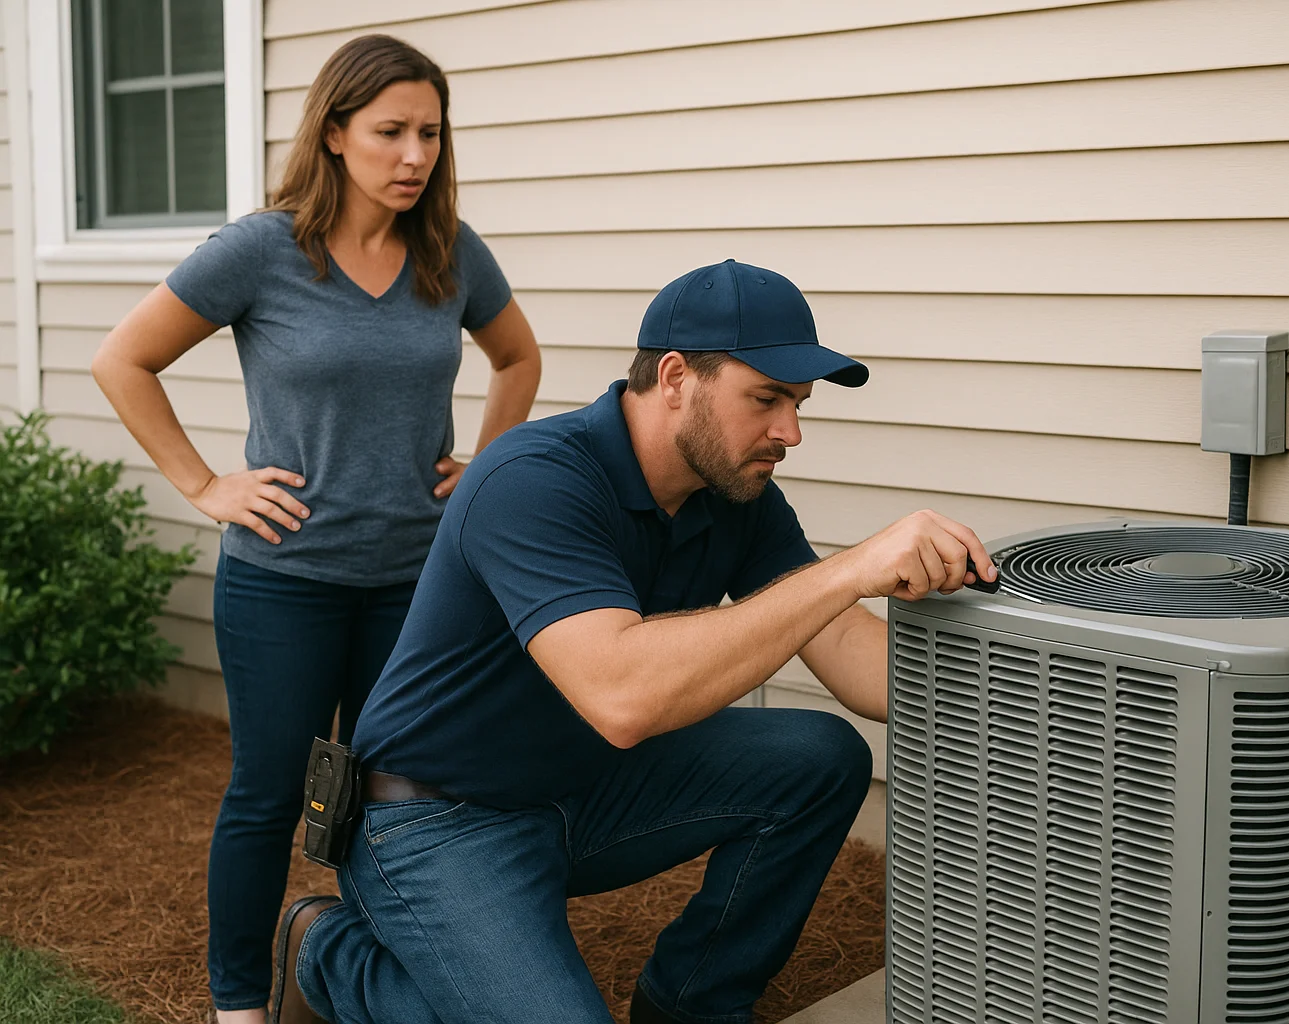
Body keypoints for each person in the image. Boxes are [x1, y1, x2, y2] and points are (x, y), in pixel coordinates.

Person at [270, 259, 997, 1024]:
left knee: (820, 759)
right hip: (436, 817)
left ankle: (689, 1004)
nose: (791, 431)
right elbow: (622, 696)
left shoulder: (735, 495)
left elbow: (846, 647)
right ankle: (328, 953)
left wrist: (1033, 693)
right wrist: (850, 570)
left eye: (799, 403)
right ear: (677, 376)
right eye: (767, 399)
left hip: (583, 785)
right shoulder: (533, 478)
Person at [90, 35, 541, 1024]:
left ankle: (364, 967)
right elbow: (123, 360)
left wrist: (480, 474)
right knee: (268, 795)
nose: (414, 153)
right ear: (335, 134)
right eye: (390, 132)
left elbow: (517, 360)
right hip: (283, 582)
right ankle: (239, 1003)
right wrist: (205, 482)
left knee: (400, 798)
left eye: (429, 131)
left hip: (417, 586)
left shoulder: (450, 252)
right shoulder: (265, 247)